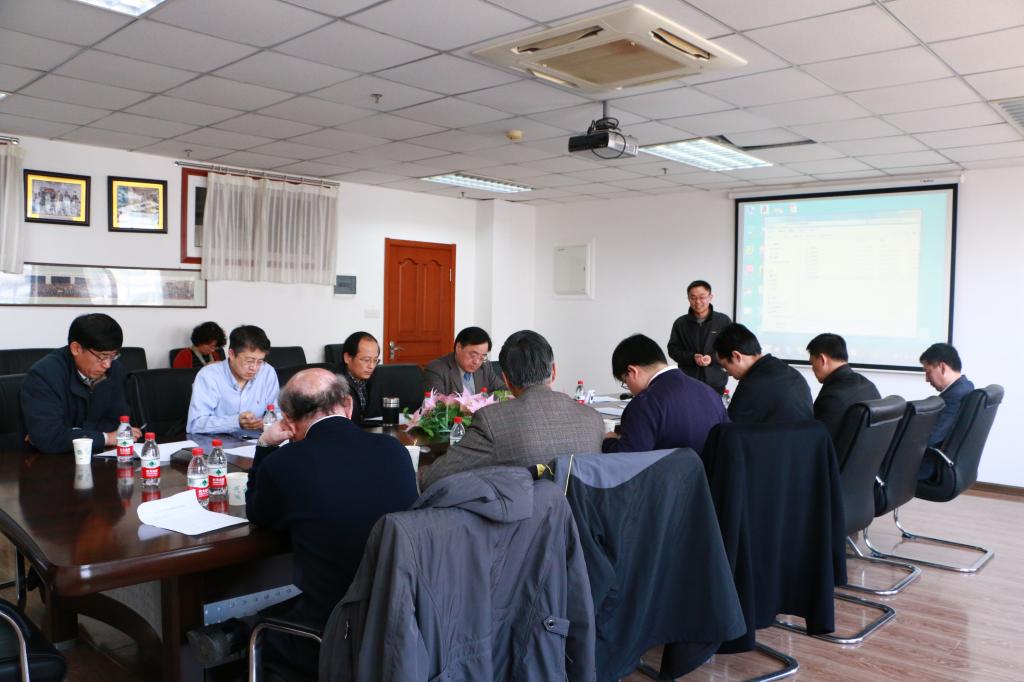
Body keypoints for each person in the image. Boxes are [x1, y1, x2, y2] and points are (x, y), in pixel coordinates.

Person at [246, 368, 417, 675]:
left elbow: (259, 514)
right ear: (348, 406)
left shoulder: (283, 463)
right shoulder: (394, 450)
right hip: (400, 614)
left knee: (254, 629)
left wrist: (265, 446)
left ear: (288, 420)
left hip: (331, 621)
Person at [421, 330, 604, 490]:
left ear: (506, 380)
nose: (477, 361)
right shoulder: (594, 419)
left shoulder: (491, 421)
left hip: (522, 517)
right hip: (579, 517)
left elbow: (436, 476)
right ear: (554, 371)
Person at [20, 313, 140, 454]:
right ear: (76, 348)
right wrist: (106, 438)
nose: (107, 364)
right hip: (49, 462)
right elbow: (49, 437)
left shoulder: (114, 369)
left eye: (113, 356)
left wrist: (73, 432)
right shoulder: (44, 375)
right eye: (102, 357)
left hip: (101, 457)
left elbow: (120, 423)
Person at [603, 333, 728, 454]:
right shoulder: (710, 393)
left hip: (673, 469)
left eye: (625, 382)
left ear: (632, 371)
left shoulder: (645, 403)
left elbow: (626, 459)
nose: (629, 389)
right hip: (710, 468)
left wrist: (609, 441)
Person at [186, 325, 279, 434]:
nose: (254, 368)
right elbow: (195, 425)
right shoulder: (209, 376)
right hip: (218, 442)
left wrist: (268, 422)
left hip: (258, 440)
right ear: (231, 354)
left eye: (260, 361)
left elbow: (278, 412)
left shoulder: (267, 372)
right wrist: (235, 422)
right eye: (249, 361)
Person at [713, 323, 812, 425]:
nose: (728, 373)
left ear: (737, 356)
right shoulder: (790, 372)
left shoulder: (750, 386)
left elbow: (729, 429)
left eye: (725, 366)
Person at [806, 333, 881, 440]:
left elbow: (815, 441)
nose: (812, 369)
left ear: (822, 359)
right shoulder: (868, 385)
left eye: (812, 363)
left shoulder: (831, 397)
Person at [919, 342, 975, 480]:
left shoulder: (953, 397)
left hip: (929, 465)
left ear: (942, 367)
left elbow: (931, 438)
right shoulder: (967, 387)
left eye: (928, 372)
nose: (926, 379)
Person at [667, 280, 732, 395]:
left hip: (716, 382)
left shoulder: (723, 321)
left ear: (710, 297)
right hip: (688, 381)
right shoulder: (680, 323)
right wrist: (692, 357)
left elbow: (730, 348)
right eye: (693, 298)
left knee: (714, 407)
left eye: (702, 297)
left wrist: (712, 358)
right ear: (688, 299)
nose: (697, 302)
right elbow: (673, 350)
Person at [423, 326, 507, 395]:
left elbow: (504, 391)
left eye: (482, 357)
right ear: (458, 348)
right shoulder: (437, 369)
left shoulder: (485, 366)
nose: (477, 362)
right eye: (473, 355)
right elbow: (436, 404)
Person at [337, 331, 382, 423]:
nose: (371, 366)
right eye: (366, 360)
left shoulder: (378, 377)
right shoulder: (332, 384)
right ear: (347, 358)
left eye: (375, 360)